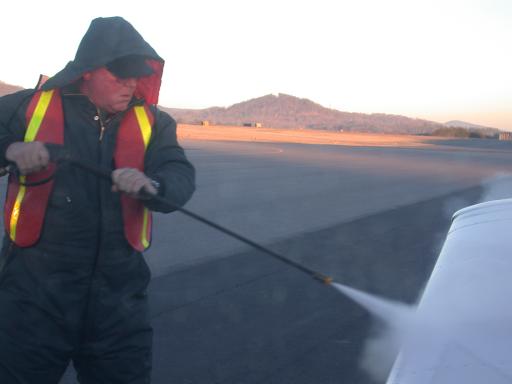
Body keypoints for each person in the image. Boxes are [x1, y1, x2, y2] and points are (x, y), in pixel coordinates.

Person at [0, 16, 195, 383]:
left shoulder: (156, 123)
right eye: (119, 74)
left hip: (118, 309)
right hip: (32, 304)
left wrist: (153, 184)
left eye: (136, 75)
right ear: (87, 71)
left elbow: (179, 174)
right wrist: (10, 149)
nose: (131, 84)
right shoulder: (27, 107)